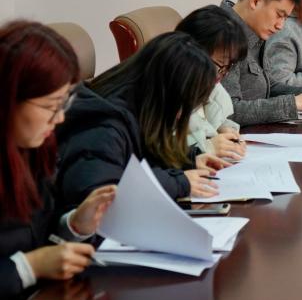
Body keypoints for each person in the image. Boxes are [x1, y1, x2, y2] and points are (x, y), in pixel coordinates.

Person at [1, 22, 116, 300]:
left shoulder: (32, 151)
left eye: (63, 104)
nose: (60, 118)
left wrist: (74, 225)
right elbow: (30, 258)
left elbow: (38, 238)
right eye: (51, 106)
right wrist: (28, 267)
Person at [56, 32, 223, 206]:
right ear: (166, 94)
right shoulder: (103, 127)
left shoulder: (132, 108)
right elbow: (101, 196)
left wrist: (187, 162)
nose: (181, 115)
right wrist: (178, 183)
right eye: (184, 106)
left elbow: (134, 161)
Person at [176, 5, 249, 161]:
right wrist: (207, 147)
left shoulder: (208, 84)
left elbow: (208, 117)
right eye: (220, 64)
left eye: (228, 67)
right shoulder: (166, 89)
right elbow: (156, 150)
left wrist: (225, 129)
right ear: (192, 51)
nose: (222, 74)